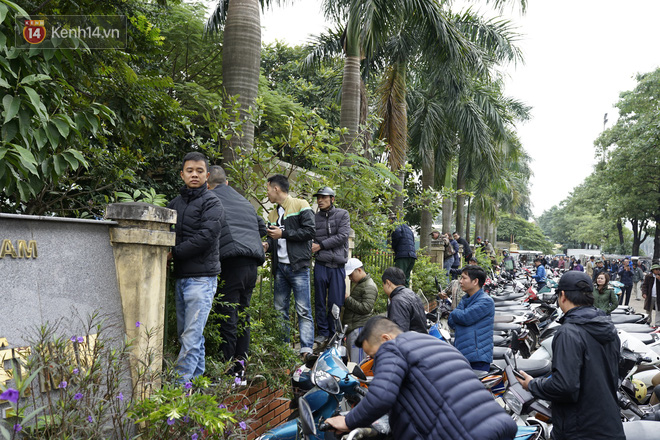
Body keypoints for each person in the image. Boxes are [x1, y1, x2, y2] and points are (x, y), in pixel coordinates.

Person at [325, 316, 518, 440]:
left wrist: (348, 421)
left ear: (385, 338)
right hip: (499, 426)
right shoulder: (438, 344)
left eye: (374, 356)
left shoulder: (393, 347)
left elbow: (382, 397)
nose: (375, 362)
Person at [519, 271, 625, 440]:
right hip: (609, 425)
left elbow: (565, 387)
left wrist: (532, 385)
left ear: (562, 295)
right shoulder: (608, 327)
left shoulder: (569, 332)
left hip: (579, 429)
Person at [167, 152, 225, 383]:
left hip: (202, 279)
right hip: (181, 276)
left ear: (207, 175)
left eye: (199, 171)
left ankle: (178, 393)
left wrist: (174, 253)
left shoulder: (212, 202)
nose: (194, 174)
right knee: (191, 337)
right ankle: (198, 390)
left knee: (190, 337)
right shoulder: (174, 204)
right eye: (189, 170)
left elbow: (206, 237)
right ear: (182, 175)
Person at [207, 166, 266, 376]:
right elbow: (262, 227)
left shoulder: (209, 197)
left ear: (207, 183)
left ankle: (227, 368)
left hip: (231, 261)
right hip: (252, 263)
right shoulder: (243, 200)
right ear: (227, 183)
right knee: (243, 315)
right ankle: (241, 367)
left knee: (227, 316)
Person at [264, 174, 316, 360]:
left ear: (275, 188)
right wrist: (267, 245)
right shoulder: (272, 214)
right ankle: (284, 348)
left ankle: (306, 350)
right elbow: (273, 239)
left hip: (298, 267)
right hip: (280, 268)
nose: (267, 193)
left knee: (303, 310)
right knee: (280, 310)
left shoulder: (301, 204)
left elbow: (310, 231)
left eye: (268, 189)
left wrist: (283, 234)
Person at [311, 186, 351, 347]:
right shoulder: (314, 218)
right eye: (318, 198)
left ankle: (334, 333)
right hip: (321, 264)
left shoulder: (343, 214)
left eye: (324, 197)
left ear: (332, 199)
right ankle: (322, 333)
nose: (320, 200)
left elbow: (342, 236)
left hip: (337, 265)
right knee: (319, 301)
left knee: (336, 302)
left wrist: (320, 246)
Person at [448, 265, 495, 371]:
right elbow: (451, 322)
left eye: (464, 278)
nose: (460, 281)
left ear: (475, 281)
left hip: (477, 358)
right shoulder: (465, 299)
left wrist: (455, 313)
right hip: (462, 355)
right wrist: (457, 315)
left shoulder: (486, 301)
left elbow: (465, 317)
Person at [343, 258, 378, 363]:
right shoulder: (361, 284)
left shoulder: (369, 286)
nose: (350, 278)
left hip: (358, 328)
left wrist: (347, 299)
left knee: (357, 363)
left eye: (351, 275)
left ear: (359, 270)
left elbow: (366, 308)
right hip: (354, 327)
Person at [381, 267, 427, 333]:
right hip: (420, 339)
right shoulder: (412, 293)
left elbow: (398, 333)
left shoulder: (397, 301)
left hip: (409, 341)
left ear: (388, 283)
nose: (383, 288)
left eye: (383, 284)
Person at [390, 221, 417, 288]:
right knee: (406, 278)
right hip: (412, 256)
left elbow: (397, 233)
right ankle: (406, 296)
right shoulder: (408, 229)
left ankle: (399, 296)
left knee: (398, 277)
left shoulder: (397, 225)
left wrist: (393, 246)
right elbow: (413, 241)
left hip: (403, 255)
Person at [641, 264, 660, 328]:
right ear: (653, 270)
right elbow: (644, 285)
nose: (658, 271)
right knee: (648, 309)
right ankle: (648, 322)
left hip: (658, 297)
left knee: (658, 310)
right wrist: (644, 293)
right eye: (656, 269)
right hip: (650, 296)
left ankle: (658, 324)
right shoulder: (648, 276)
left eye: (659, 269)